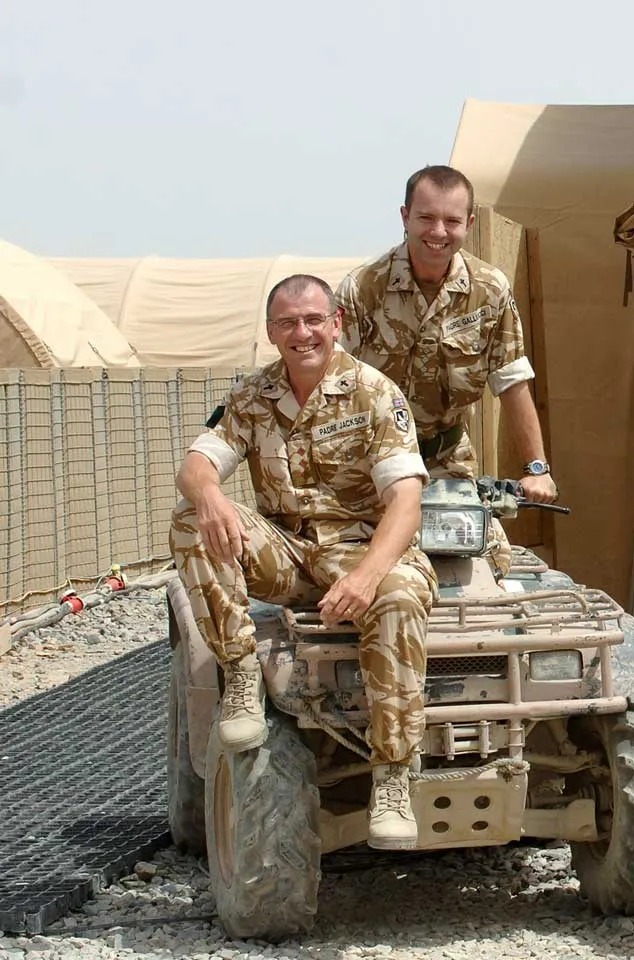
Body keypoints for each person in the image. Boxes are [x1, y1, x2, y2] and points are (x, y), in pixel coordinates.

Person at [171, 274, 434, 850]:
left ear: (335, 323)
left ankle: (391, 775)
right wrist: (211, 493)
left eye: (314, 319)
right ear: (272, 332)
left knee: (396, 595)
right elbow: (196, 463)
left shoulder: (373, 393)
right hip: (288, 554)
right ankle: (239, 672)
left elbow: (406, 503)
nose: (303, 332)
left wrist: (366, 577)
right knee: (192, 518)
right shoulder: (253, 396)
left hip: (364, 549)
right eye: (288, 323)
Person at [337, 164, 553, 578]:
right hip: (369, 460)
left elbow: (511, 380)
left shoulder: (488, 289)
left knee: (488, 560)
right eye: (426, 218)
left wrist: (536, 469)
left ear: (469, 224)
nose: (438, 231)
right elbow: (329, 384)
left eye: (451, 220)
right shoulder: (363, 288)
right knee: (363, 564)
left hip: (444, 458)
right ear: (405, 217)